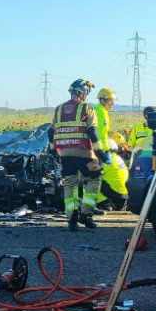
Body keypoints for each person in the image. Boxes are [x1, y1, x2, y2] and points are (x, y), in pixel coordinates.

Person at [49, 78, 105, 231]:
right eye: (86, 92)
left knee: (70, 183)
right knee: (95, 178)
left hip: (64, 153)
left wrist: (53, 149)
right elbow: (92, 131)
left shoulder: (59, 109)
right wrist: (100, 152)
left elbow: (50, 131)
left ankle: (72, 217)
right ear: (83, 92)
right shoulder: (86, 108)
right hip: (84, 153)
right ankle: (86, 214)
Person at [91, 87, 116, 213]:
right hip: (96, 150)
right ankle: (94, 204)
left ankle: (95, 202)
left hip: (100, 149)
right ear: (103, 100)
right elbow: (96, 133)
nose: (113, 103)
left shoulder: (103, 111)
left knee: (96, 177)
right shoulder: (99, 111)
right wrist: (100, 151)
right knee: (94, 178)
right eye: (111, 101)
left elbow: (103, 134)